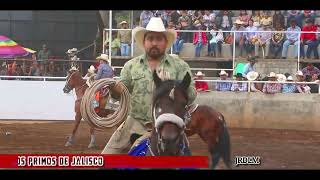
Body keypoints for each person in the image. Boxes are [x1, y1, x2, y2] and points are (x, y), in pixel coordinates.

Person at [101, 17, 197, 154]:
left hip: (168, 126)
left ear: (165, 42)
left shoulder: (180, 66)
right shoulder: (131, 66)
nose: (154, 43)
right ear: (144, 42)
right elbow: (118, 95)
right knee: (105, 160)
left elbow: (192, 94)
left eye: (159, 39)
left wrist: (174, 86)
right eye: (150, 39)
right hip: (135, 123)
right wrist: (114, 89)